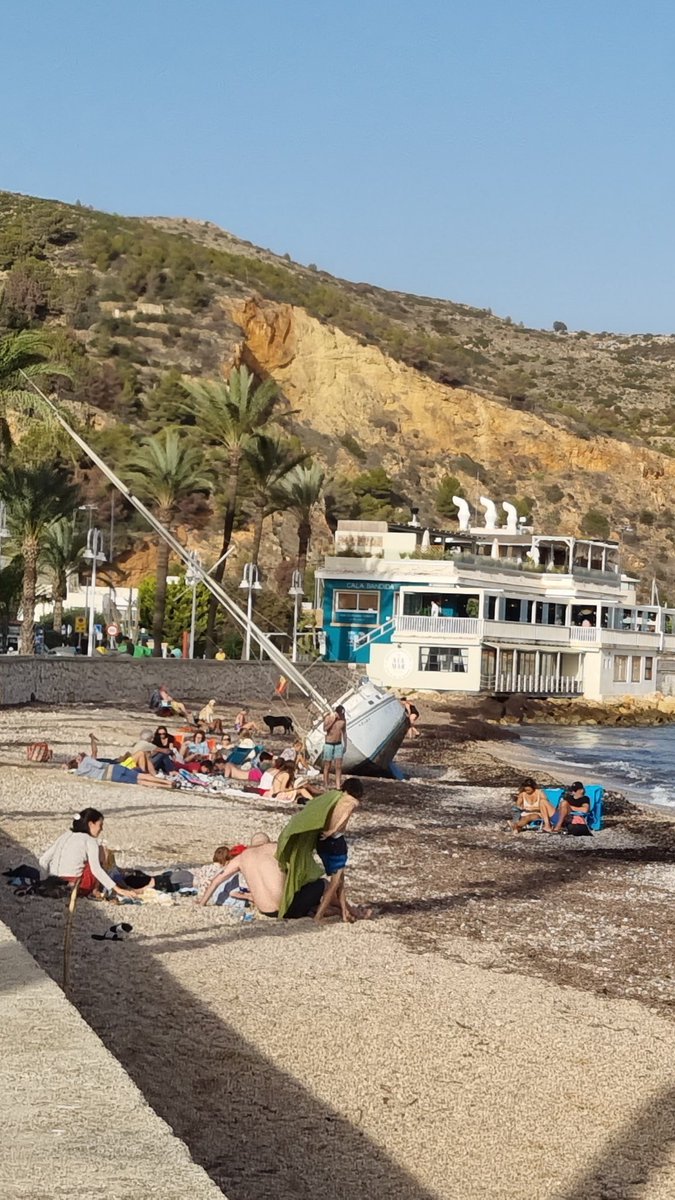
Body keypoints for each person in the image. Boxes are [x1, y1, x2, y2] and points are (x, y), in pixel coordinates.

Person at [275, 779, 365, 921]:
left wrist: (309, 788)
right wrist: (332, 831)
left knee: (340, 880)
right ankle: (319, 915)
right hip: (335, 842)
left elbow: (320, 795)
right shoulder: (353, 802)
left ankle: (344, 914)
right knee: (335, 882)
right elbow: (345, 815)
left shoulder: (335, 796)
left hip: (322, 841)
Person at [39, 808, 139, 899]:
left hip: (53, 881)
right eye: (100, 825)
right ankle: (95, 890)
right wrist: (118, 889)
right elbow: (96, 869)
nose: (101, 829)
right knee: (102, 850)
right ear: (91, 824)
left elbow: (43, 860)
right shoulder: (90, 840)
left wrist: (43, 880)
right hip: (75, 885)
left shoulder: (65, 835)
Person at [67, 751, 176, 789]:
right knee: (140, 776)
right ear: (77, 761)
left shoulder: (79, 773)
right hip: (113, 769)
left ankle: (166, 786)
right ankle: (168, 782)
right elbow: (99, 765)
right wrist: (84, 758)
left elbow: (70, 771)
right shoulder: (86, 760)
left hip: (111, 778)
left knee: (139, 782)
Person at [322, 705, 347, 788]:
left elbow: (344, 732)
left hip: (338, 744)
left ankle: (338, 785)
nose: (341, 716)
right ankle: (326, 784)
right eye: (340, 714)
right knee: (327, 765)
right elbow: (325, 729)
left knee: (338, 766)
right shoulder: (328, 718)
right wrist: (333, 720)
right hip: (329, 744)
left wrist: (345, 744)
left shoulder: (343, 721)